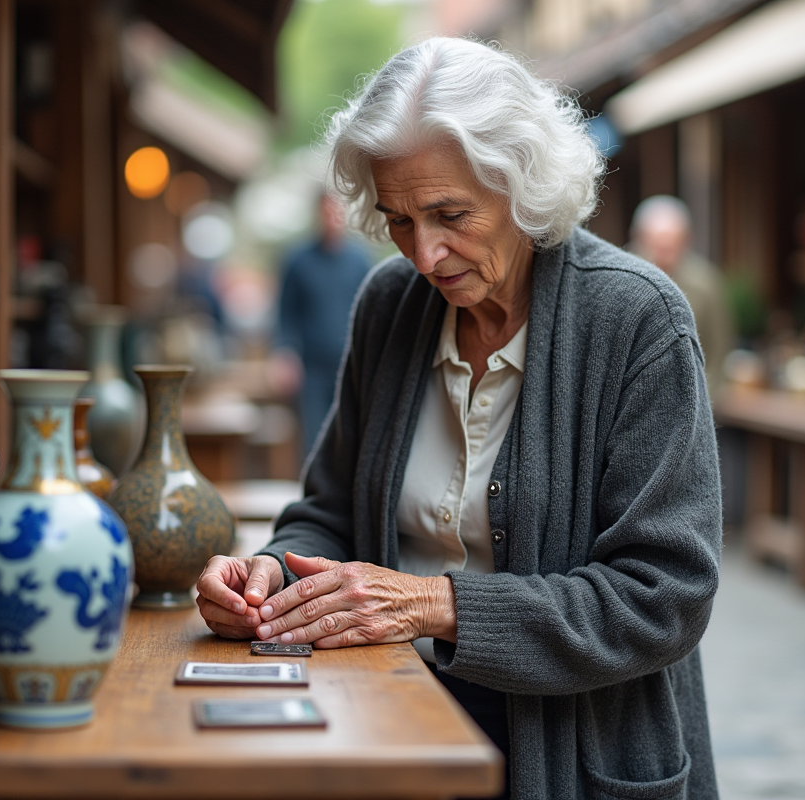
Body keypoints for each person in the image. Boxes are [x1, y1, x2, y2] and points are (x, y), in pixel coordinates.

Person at [197, 37, 721, 800]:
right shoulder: (389, 304)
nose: (424, 254)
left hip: (576, 759)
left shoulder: (637, 320)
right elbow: (329, 510)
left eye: (449, 214)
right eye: (399, 219)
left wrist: (431, 604)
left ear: (524, 183)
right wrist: (272, 573)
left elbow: (664, 596)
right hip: (392, 729)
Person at [272, 192, 370, 457]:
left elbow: (369, 312)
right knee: (313, 437)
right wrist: (285, 353)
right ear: (318, 213)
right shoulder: (298, 260)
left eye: (337, 211)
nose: (332, 218)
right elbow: (285, 312)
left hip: (350, 364)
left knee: (350, 433)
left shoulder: (359, 261)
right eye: (327, 211)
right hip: (311, 367)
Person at [630, 195, 734, 400]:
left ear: (686, 241)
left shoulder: (706, 283)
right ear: (639, 239)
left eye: (671, 247)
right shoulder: (622, 279)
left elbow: (718, 349)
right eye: (656, 246)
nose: (663, 255)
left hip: (693, 395)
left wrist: (703, 400)